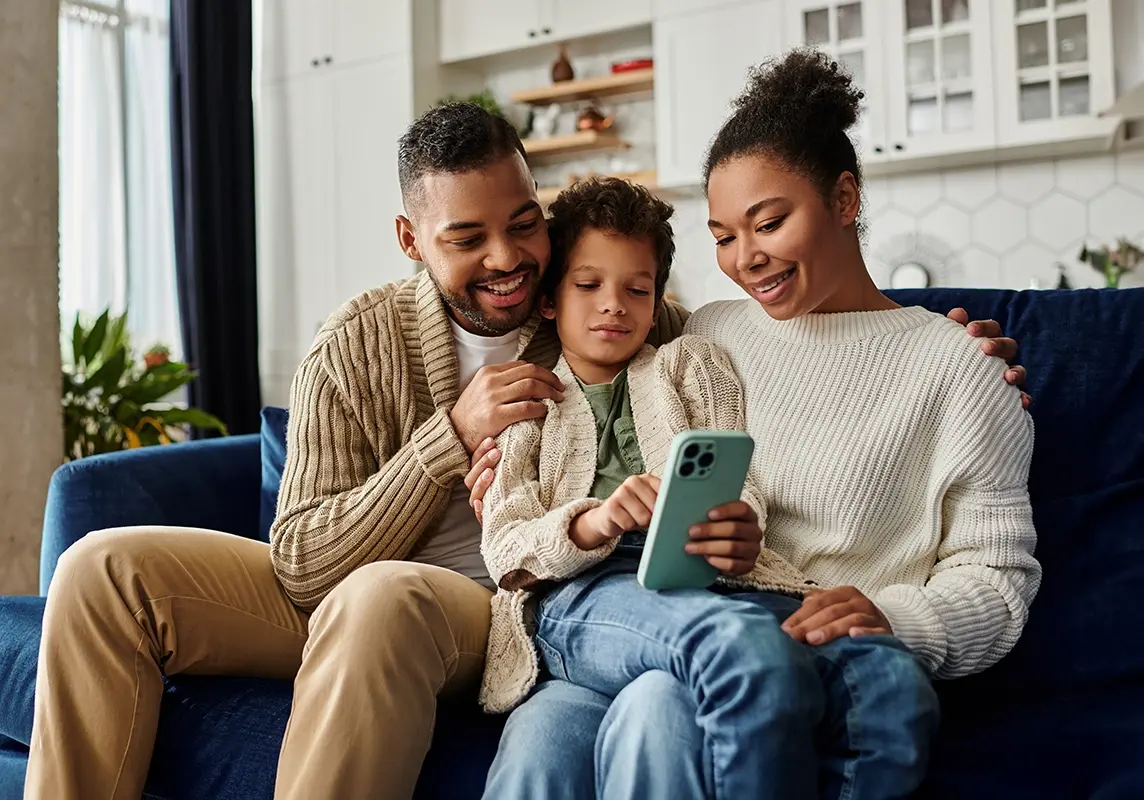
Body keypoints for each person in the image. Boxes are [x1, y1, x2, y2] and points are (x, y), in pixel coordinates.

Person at [24, 102, 1023, 800]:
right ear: (412, 238)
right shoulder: (357, 341)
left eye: (522, 225)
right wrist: (445, 438)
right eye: (467, 237)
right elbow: (299, 563)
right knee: (102, 568)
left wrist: (946, 340)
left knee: (384, 596)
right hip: (352, 579)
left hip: (491, 598)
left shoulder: (616, 316)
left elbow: (784, 327)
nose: (505, 259)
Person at [474, 51, 1041, 799]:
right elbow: (599, 327)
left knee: (685, 704)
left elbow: (998, 587)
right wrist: (489, 447)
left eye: (769, 223)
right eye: (723, 236)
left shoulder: (961, 369)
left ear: (844, 199)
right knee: (608, 718)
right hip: (683, 622)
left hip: (817, 643)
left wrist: (894, 615)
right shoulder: (709, 333)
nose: (746, 261)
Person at [478, 176, 938, 800]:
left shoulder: (692, 363)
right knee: (737, 646)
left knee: (889, 678)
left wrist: (738, 528)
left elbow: (738, 478)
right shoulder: (529, 403)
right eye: (589, 285)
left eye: (637, 289)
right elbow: (505, 546)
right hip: (581, 592)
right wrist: (593, 521)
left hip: (711, 584)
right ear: (551, 300)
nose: (614, 304)